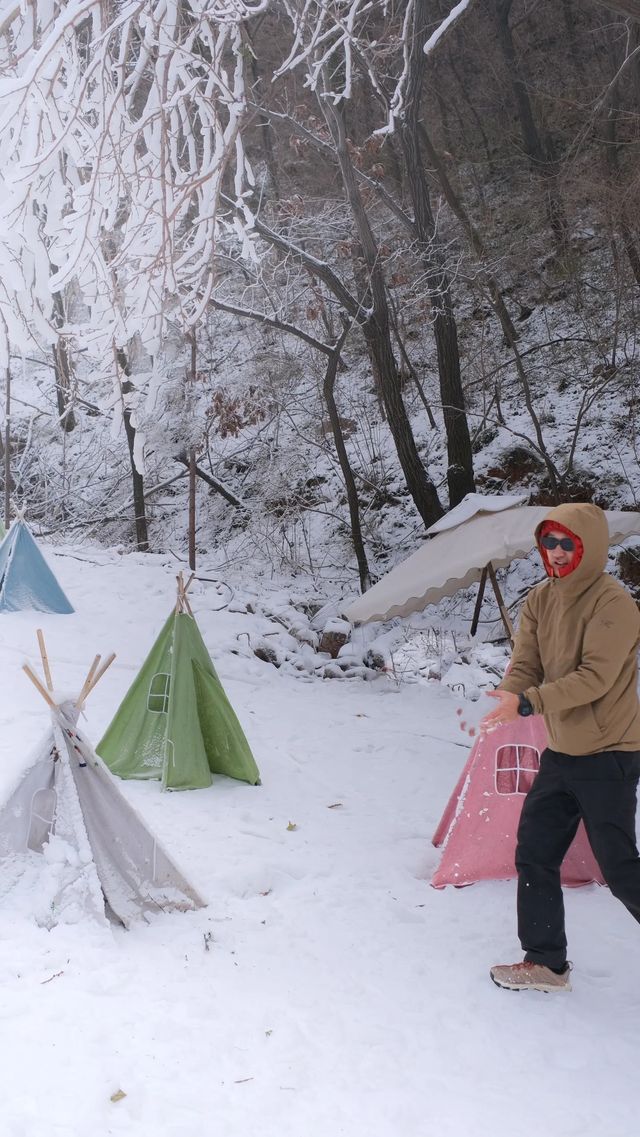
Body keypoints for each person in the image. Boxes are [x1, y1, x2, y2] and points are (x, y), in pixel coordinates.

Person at [480, 502, 640, 992]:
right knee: (535, 851)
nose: (555, 552)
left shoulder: (614, 603)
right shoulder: (541, 599)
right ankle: (547, 963)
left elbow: (594, 678)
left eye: (566, 543)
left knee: (619, 869)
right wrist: (512, 691)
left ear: (588, 548)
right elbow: (526, 661)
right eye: (548, 542)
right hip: (563, 753)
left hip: (610, 753)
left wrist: (528, 704)